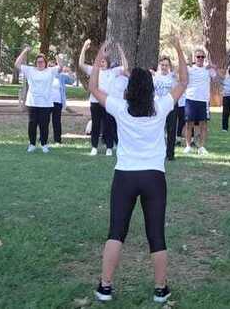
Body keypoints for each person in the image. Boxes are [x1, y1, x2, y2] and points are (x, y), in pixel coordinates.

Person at [89, 37, 187, 304]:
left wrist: (99, 55)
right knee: (156, 234)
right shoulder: (160, 107)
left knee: (116, 232)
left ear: (130, 88)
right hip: (154, 177)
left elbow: (93, 86)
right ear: (150, 88)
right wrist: (178, 50)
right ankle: (160, 288)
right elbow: (183, 83)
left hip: (125, 177)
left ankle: (105, 286)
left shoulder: (121, 108)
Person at [79, 39, 128, 156]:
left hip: (107, 102)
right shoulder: (94, 70)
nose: (101, 63)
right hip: (95, 102)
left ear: (108, 62)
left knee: (108, 124)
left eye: (104, 61)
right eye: (99, 61)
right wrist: (84, 48)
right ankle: (94, 147)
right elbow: (81, 64)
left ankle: (109, 147)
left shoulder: (113, 72)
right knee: (95, 124)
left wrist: (121, 52)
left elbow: (125, 67)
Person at [16, 45, 63, 153]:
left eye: (42, 62)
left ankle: (44, 144)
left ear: (45, 63)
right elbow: (17, 64)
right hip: (32, 102)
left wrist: (55, 52)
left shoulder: (50, 71)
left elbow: (61, 66)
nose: (40, 63)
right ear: (35, 63)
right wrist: (25, 51)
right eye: (38, 62)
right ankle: (32, 144)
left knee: (44, 125)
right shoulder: (30, 70)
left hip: (46, 104)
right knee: (32, 124)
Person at [182, 48, 221, 154]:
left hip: (204, 101)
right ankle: (188, 145)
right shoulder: (190, 69)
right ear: (195, 58)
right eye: (198, 56)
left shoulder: (208, 69)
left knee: (203, 124)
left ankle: (201, 147)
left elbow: (217, 80)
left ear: (204, 58)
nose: (200, 59)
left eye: (202, 57)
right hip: (191, 99)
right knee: (189, 124)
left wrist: (214, 67)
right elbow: (181, 76)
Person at [152, 56, 179, 161]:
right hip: (158, 107)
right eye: (162, 65)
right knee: (158, 130)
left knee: (171, 130)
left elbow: (176, 91)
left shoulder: (172, 77)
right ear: (159, 65)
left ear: (169, 66)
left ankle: (170, 154)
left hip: (170, 106)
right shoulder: (155, 77)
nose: (164, 67)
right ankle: (157, 153)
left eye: (166, 65)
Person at [49, 59, 76, 144]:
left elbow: (72, 81)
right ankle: (43, 138)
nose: (52, 67)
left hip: (58, 102)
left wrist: (69, 71)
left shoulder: (61, 76)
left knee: (56, 121)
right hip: (46, 102)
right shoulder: (46, 75)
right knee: (44, 121)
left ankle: (57, 140)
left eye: (54, 66)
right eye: (50, 66)